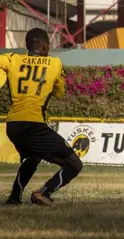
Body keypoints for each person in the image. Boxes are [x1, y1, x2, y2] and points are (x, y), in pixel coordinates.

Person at [0, 28, 83, 206]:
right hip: (34, 124)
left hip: (13, 125)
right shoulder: (54, 63)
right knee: (74, 164)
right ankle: (44, 192)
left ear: (27, 46)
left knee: (33, 157)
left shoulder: (12, 59)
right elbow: (60, 93)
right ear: (45, 45)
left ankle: (14, 198)